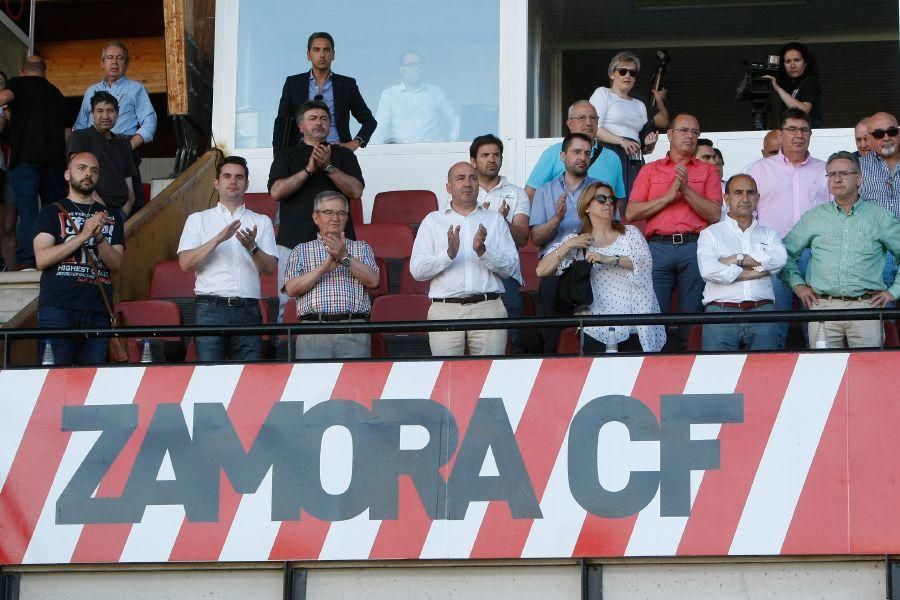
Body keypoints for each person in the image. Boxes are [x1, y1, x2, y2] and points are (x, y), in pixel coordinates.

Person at [782, 151, 900, 349]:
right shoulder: (814, 217)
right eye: (831, 174)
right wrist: (798, 286)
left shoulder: (880, 217)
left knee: (868, 371)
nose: (837, 179)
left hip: (866, 307)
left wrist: (893, 292)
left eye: (844, 174)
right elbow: (783, 254)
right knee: (824, 372)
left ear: (859, 178)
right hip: (823, 307)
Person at [625, 113, 722, 350]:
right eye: (684, 130)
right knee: (655, 314)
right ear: (669, 134)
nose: (690, 136)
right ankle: (656, 365)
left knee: (693, 315)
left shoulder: (707, 171)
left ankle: (691, 366)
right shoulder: (650, 170)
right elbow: (631, 213)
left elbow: (714, 214)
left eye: (695, 132)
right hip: (657, 247)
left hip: (694, 246)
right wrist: (668, 196)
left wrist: (686, 190)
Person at [536, 181, 665, 353]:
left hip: (635, 324)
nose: (609, 203)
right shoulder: (579, 240)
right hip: (595, 328)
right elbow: (541, 270)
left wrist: (609, 259)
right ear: (586, 207)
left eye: (611, 199)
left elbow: (644, 263)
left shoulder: (630, 233)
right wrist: (568, 246)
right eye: (601, 199)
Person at [268, 99, 364, 321]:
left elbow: (356, 191)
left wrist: (328, 167)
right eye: (312, 118)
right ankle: (290, 352)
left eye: (324, 119)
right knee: (289, 305)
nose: (318, 123)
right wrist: (309, 169)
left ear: (330, 124)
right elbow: (276, 192)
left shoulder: (344, 155)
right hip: (293, 243)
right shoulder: (286, 155)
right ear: (301, 126)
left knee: (341, 302)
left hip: (339, 243)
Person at [410, 162, 518, 356]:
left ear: (478, 186)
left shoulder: (495, 219)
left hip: (488, 308)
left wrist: (484, 251)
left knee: (489, 377)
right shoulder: (433, 221)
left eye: (473, 178)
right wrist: (448, 255)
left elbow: (511, 268)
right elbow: (417, 271)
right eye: (460, 178)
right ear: (448, 187)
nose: (467, 183)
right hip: (445, 311)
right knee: (446, 378)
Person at [177, 156, 277, 362]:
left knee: (247, 378)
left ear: (246, 184)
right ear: (216, 183)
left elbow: (269, 269)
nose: (233, 181)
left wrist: (253, 248)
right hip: (210, 309)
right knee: (211, 376)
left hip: (249, 309)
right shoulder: (198, 219)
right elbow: (185, 263)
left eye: (239, 177)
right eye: (227, 176)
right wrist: (219, 239)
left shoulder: (262, 221)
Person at [746, 108, 830, 345]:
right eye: (792, 129)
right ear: (780, 134)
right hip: (773, 253)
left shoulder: (825, 170)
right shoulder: (758, 170)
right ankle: (774, 372)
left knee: (816, 324)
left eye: (804, 130)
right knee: (774, 322)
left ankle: (818, 369)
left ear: (811, 134)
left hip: (816, 255)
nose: (798, 135)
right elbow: (747, 213)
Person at [32, 152, 124, 365]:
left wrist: (99, 236)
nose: (88, 174)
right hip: (57, 309)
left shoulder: (112, 216)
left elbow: (116, 265)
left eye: (94, 170)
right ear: (67, 174)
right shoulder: (50, 212)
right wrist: (83, 235)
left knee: (92, 384)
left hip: (98, 310)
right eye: (81, 168)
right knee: (54, 380)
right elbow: (42, 259)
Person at [283, 190, 379, 359]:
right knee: (311, 383)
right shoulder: (301, 250)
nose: (335, 218)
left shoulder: (361, 248)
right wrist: (322, 269)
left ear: (347, 218)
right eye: (328, 212)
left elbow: (374, 280)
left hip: (353, 330)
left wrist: (345, 257)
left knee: (354, 384)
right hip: (312, 330)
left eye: (341, 213)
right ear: (315, 218)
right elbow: (291, 289)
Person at [697, 174, 786, 351]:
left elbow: (780, 261)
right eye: (738, 193)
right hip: (721, 314)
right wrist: (759, 269)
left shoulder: (769, 234)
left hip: (762, 313)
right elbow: (708, 271)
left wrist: (736, 261)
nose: (745, 198)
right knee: (717, 376)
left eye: (750, 193)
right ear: (726, 198)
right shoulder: (710, 234)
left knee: (765, 376)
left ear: (758, 198)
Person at [530, 133, 597, 352]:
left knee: (590, 341)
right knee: (553, 341)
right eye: (577, 152)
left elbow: (612, 233)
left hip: (591, 272)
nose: (583, 157)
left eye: (587, 153)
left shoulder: (600, 190)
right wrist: (557, 219)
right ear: (563, 155)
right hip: (553, 273)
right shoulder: (544, 190)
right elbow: (536, 238)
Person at [0, 56, 68, 269]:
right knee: (54, 210)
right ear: (44, 72)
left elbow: (3, 97)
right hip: (55, 162)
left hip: (25, 159)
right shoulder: (56, 93)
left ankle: (29, 259)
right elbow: (67, 133)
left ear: (22, 71)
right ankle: (56, 255)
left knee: (28, 209)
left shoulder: (18, 84)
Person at [74, 41, 157, 209]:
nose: (114, 62)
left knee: (130, 201)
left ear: (127, 64)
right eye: (110, 58)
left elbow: (149, 121)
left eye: (120, 58)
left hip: (123, 145)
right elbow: (80, 125)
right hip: (94, 147)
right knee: (90, 200)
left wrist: (127, 148)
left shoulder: (136, 89)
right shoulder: (91, 90)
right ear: (102, 62)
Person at [272, 32, 376, 152]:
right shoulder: (293, 83)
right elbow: (281, 123)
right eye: (316, 50)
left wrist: (353, 144)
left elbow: (369, 121)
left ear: (333, 54)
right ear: (308, 55)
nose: (322, 55)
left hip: (336, 154)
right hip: (300, 156)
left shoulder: (347, 85)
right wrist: (278, 159)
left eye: (326, 50)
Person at [469, 134, 527, 343]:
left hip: (505, 278)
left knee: (510, 346)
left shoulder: (517, 193)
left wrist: (502, 221)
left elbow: (522, 238)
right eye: (485, 155)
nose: (492, 159)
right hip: (470, 273)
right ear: (473, 162)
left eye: (496, 155)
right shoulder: (463, 193)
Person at [589, 51, 668, 199]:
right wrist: (622, 141)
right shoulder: (603, 93)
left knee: (635, 199)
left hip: (634, 157)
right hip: (608, 151)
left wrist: (649, 144)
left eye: (632, 73)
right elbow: (594, 128)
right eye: (622, 71)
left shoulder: (639, 105)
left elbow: (644, 148)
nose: (627, 76)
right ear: (612, 74)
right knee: (607, 197)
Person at [524, 100, 625, 216]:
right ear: (570, 124)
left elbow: (619, 202)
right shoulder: (554, 153)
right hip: (560, 230)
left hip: (600, 231)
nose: (588, 123)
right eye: (582, 118)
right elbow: (530, 195)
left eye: (593, 118)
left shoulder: (613, 158)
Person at [67, 91, 138, 219]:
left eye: (110, 111)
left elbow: (130, 191)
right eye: (100, 111)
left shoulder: (124, 144)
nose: (105, 116)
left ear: (117, 114)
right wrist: (103, 211)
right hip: (90, 210)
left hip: (122, 213)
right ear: (92, 114)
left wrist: (122, 214)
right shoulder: (80, 137)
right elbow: (77, 175)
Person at [369, 51, 459, 144]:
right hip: (405, 153)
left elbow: (454, 118)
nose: (416, 68)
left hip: (433, 150)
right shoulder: (390, 94)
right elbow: (380, 127)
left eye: (419, 64)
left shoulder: (435, 92)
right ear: (402, 70)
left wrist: (452, 141)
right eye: (411, 65)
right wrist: (375, 152)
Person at [859, 112, 899, 291]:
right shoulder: (857, 168)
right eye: (879, 134)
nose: (887, 137)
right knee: (881, 314)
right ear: (868, 139)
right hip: (876, 255)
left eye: (892, 131)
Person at [763, 42, 823, 129]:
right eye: (788, 61)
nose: (792, 65)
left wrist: (778, 89)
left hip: (808, 136)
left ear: (806, 63)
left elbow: (804, 110)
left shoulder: (810, 82)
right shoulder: (791, 86)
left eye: (797, 60)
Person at [0, 70, 15, 270]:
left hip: (12, 171)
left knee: (9, 226)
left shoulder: (15, 109)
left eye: (2, 82)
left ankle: (11, 271)